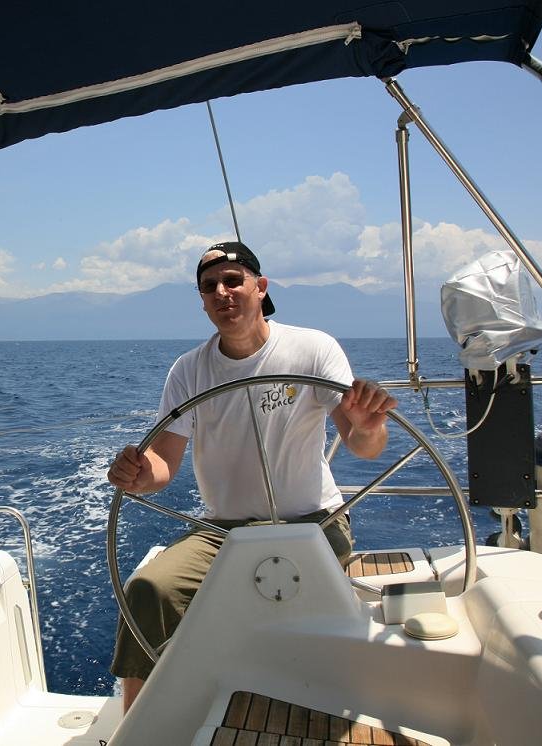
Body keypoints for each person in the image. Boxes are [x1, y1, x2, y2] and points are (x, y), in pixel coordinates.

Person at [106, 241, 397, 713]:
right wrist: (139, 475)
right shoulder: (188, 370)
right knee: (147, 590)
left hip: (314, 523)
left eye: (233, 281)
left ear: (260, 287)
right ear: (202, 301)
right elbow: (163, 461)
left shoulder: (313, 348)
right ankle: (137, 724)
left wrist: (367, 426)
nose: (222, 293)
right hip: (224, 532)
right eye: (210, 287)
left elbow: (365, 446)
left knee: (280, 593)